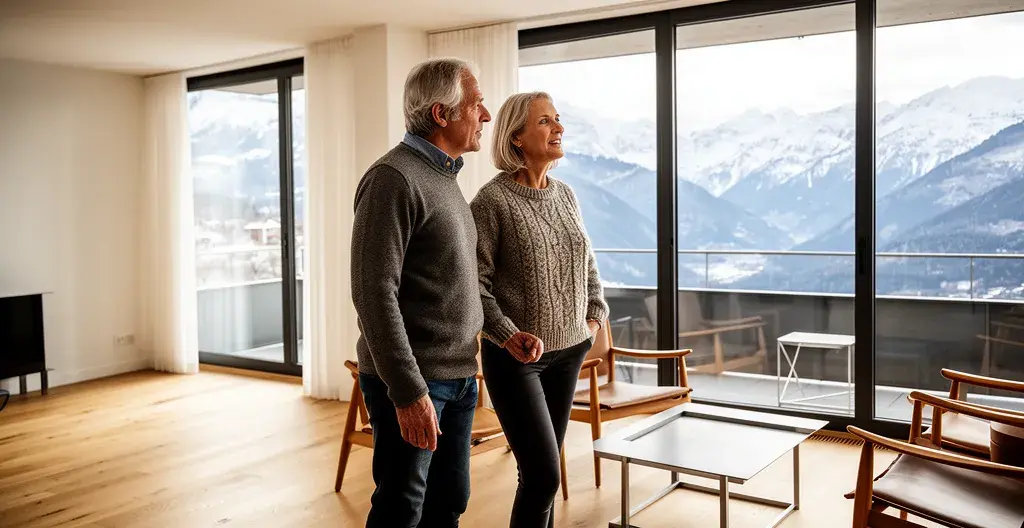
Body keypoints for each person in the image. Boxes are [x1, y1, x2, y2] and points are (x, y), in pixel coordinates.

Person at [350, 57, 491, 528]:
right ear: (441, 114)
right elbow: (373, 293)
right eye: (476, 105)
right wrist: (409, 392)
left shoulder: (446, 179)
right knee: (401, 508)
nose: (485, 116)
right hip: (417, 382)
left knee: (448, 502)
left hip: (459, 377)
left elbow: (457, 282)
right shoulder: (393, 179)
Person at [470, 91, 609, 528]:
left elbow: (587, 262)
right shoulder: (491, 202)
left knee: (538, 477)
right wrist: (509, 334)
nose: (559, 128)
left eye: (558, 119)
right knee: (544, 475)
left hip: (570, 353)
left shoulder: (565, 194)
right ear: (516, 138)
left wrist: (594, 314)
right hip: (516, 360)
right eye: (546, 122)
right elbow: (475, 285)